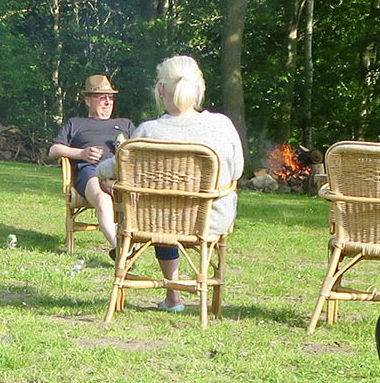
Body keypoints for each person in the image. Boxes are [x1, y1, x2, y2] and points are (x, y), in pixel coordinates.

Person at [95, 55, 242, 312]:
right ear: (199, 88)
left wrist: (103, 172)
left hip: (154, 220)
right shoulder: (222, 126)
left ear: (161, 89)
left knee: (162, 208)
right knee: (169, 207)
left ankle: (173, 297)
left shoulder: (148, 131)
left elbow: (115, 166)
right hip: (209, 219)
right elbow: (236, 171)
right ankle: (189, 296)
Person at [46, 74, 132, 254]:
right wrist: (81, 154)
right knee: (102, 199)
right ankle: (122, 252)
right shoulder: (75, 123)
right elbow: (53, 150)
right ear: (88, 100)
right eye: (102, 98)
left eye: (110, 98)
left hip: (122, 171)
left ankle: (131, 247)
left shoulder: (125, 124)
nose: (108, 102)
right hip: (90, 170)